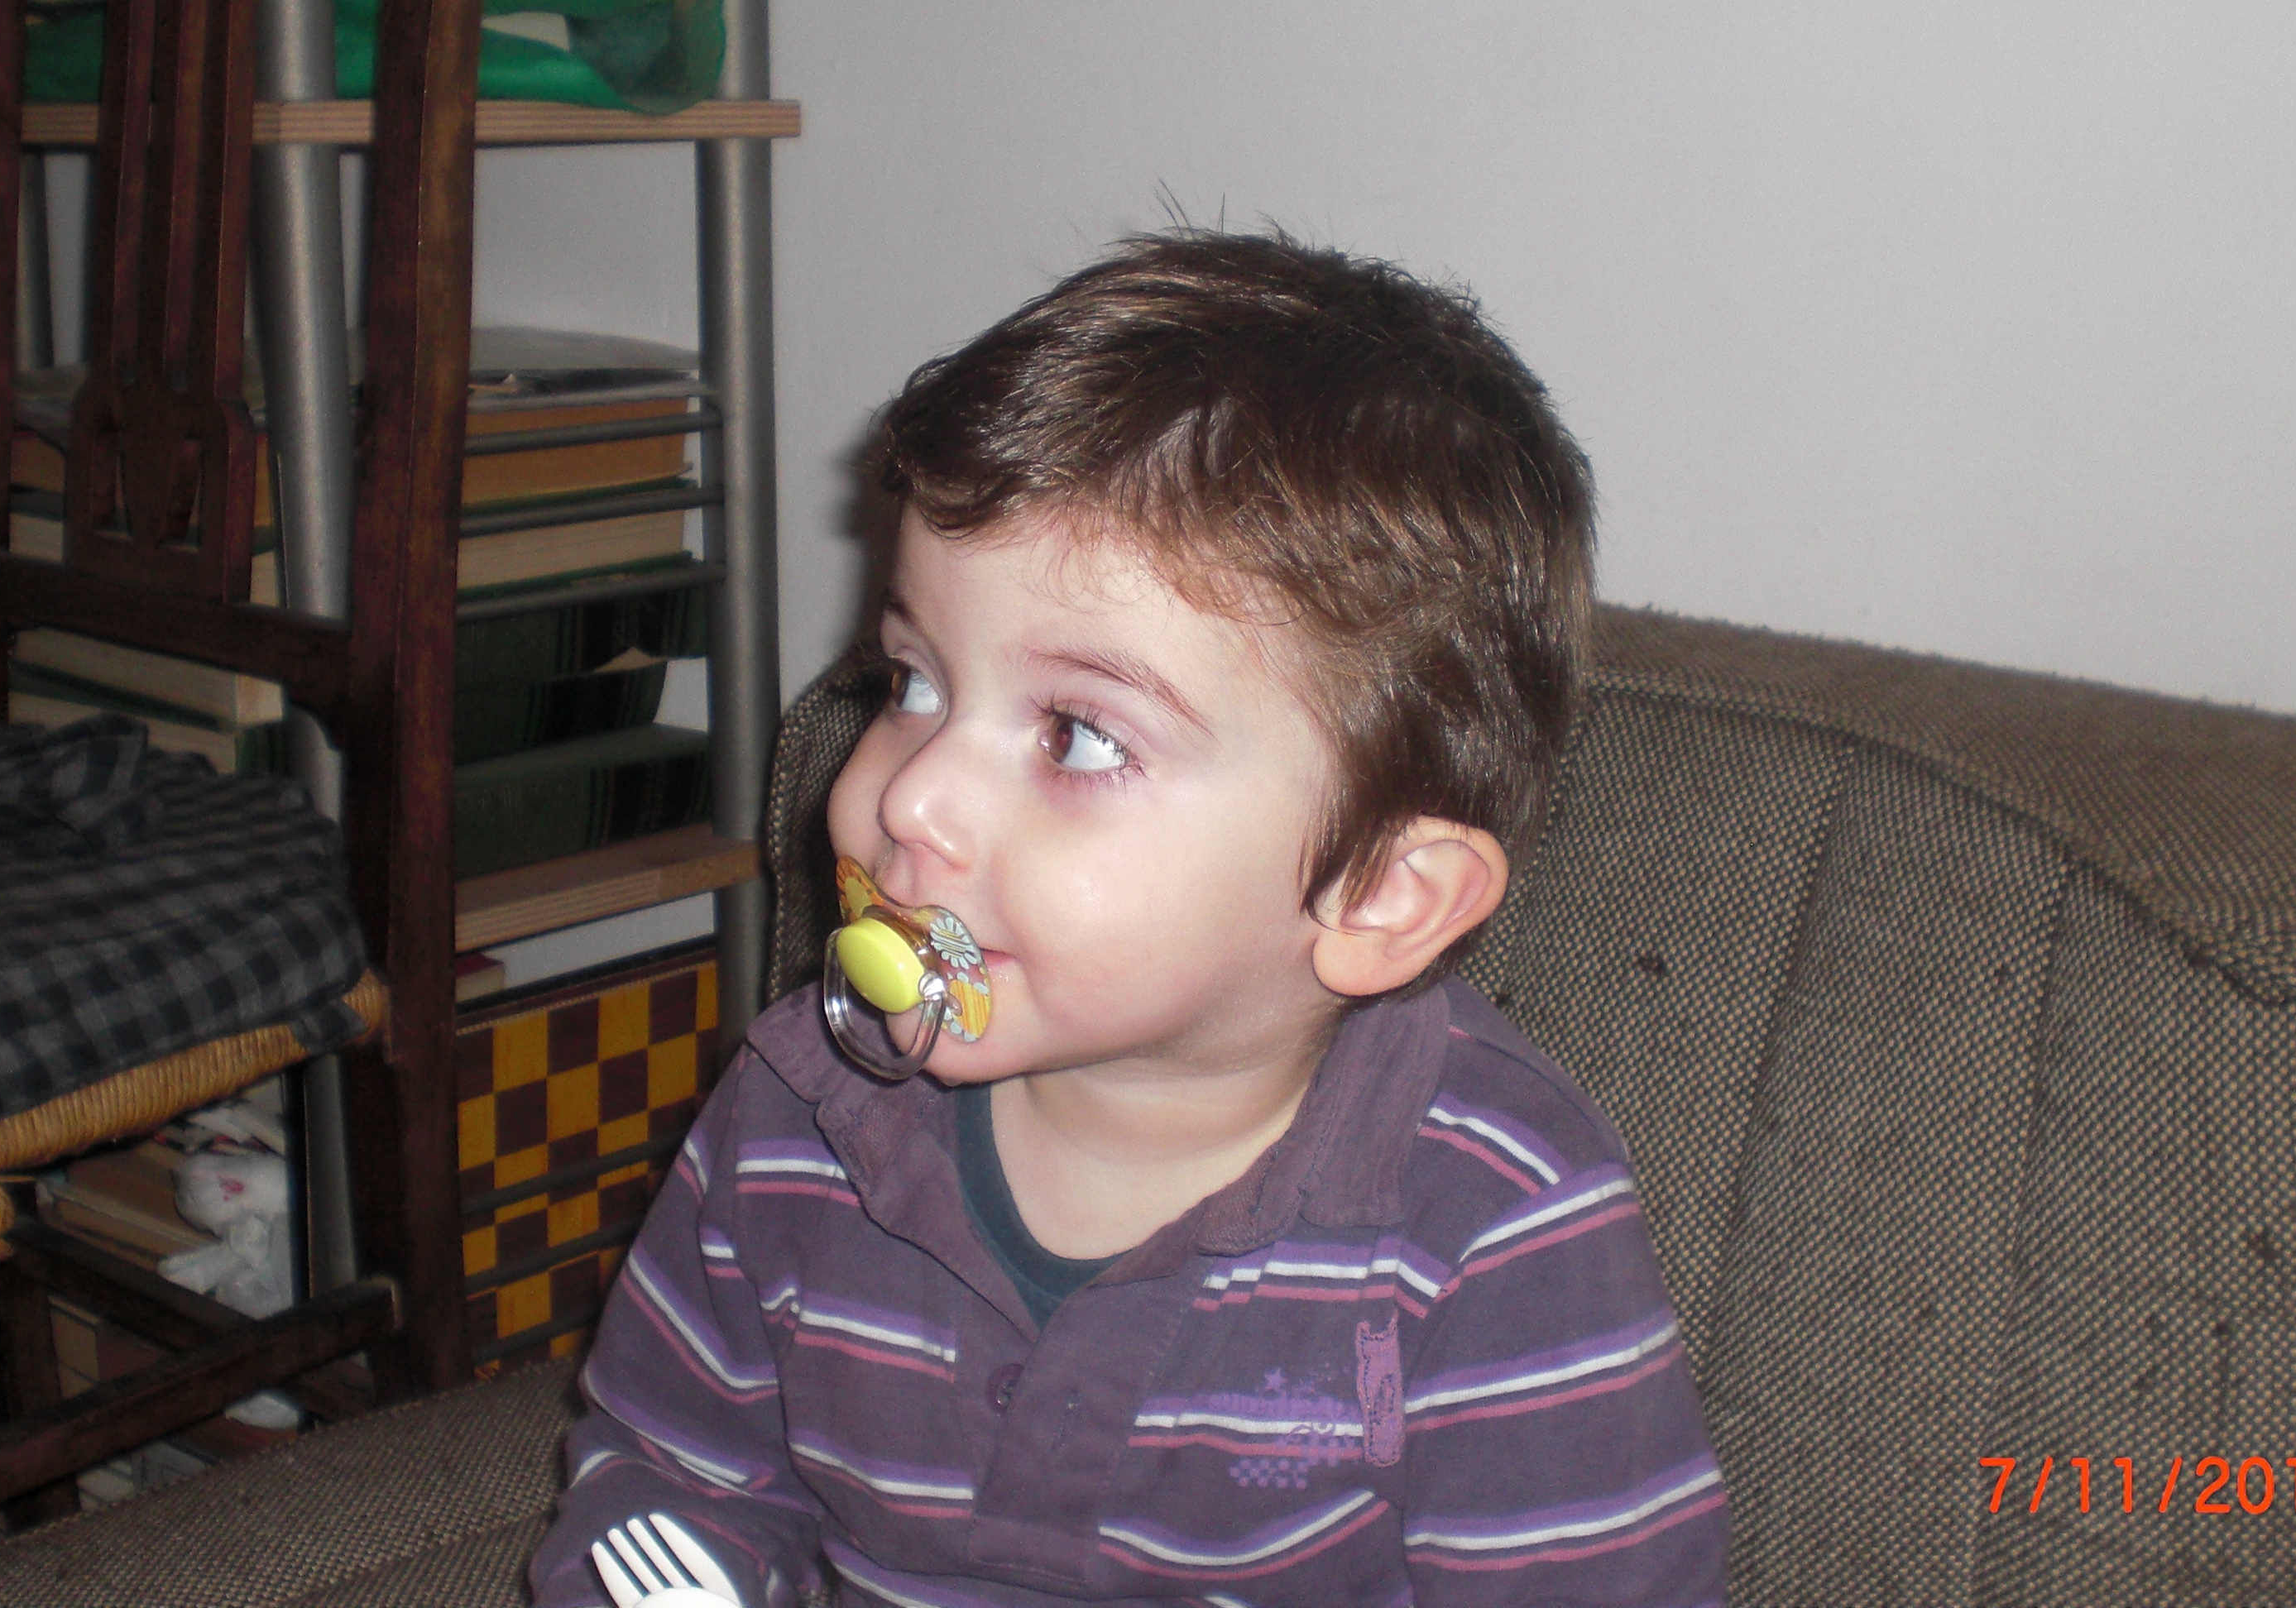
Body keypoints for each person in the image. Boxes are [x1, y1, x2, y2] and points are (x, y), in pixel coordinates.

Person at [531, 229, 1727, 1608]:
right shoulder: (800, 1107)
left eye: (1081, 737)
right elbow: (673, 1472)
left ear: (1380, 897)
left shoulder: (1493, 1215)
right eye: (914, 681)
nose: (913, 796)